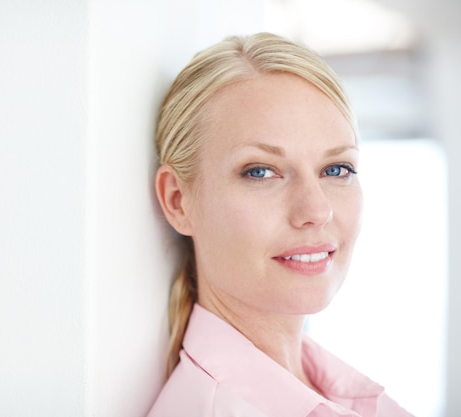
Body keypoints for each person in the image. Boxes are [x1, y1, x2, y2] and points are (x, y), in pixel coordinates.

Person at [147, 32, 412, 417]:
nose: (316, 210)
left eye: (336, 169)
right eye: (261, 172)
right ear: (178, 201)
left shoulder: (331, 389)